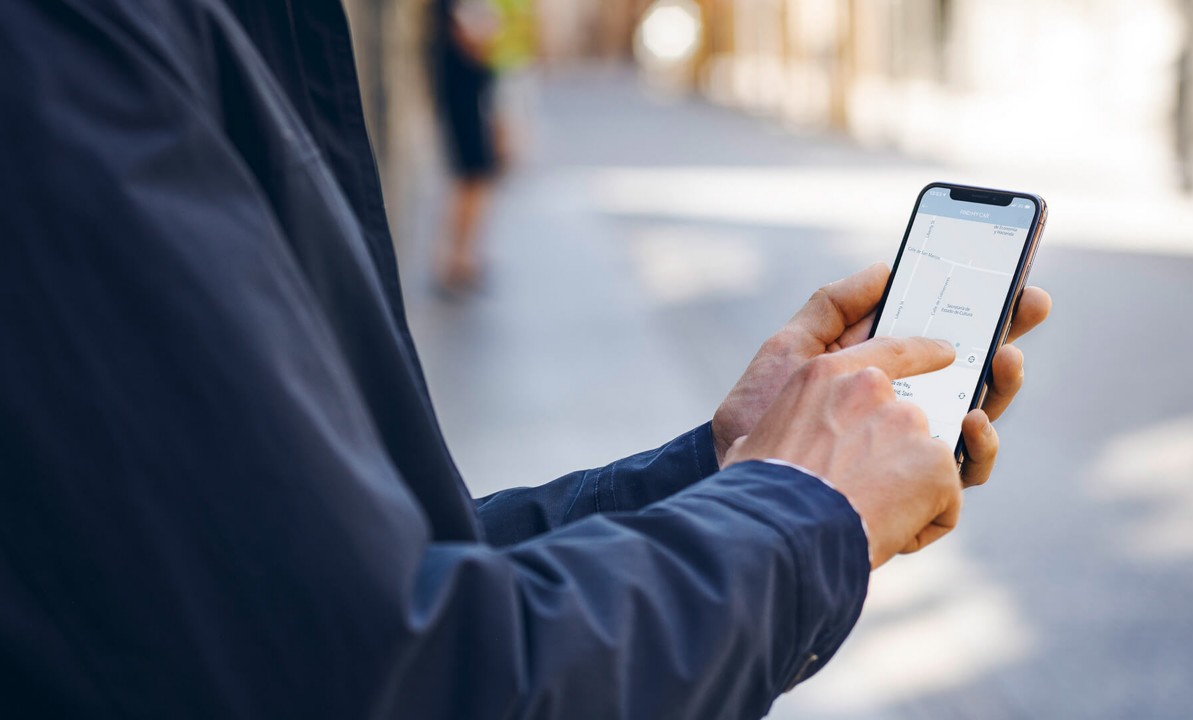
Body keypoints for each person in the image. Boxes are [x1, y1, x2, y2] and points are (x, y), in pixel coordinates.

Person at [0, 2, 1051, 718]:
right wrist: (795, 509)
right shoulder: (76, 45)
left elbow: (377, 578)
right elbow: (391, 679)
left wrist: (720, 464)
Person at [430, 0, 503, 292]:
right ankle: (457, 259)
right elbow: (474, 35)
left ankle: (462, 256)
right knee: (473, 175)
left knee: (472, 178)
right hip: (462, 98)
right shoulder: (449, 7)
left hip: (466, 95)